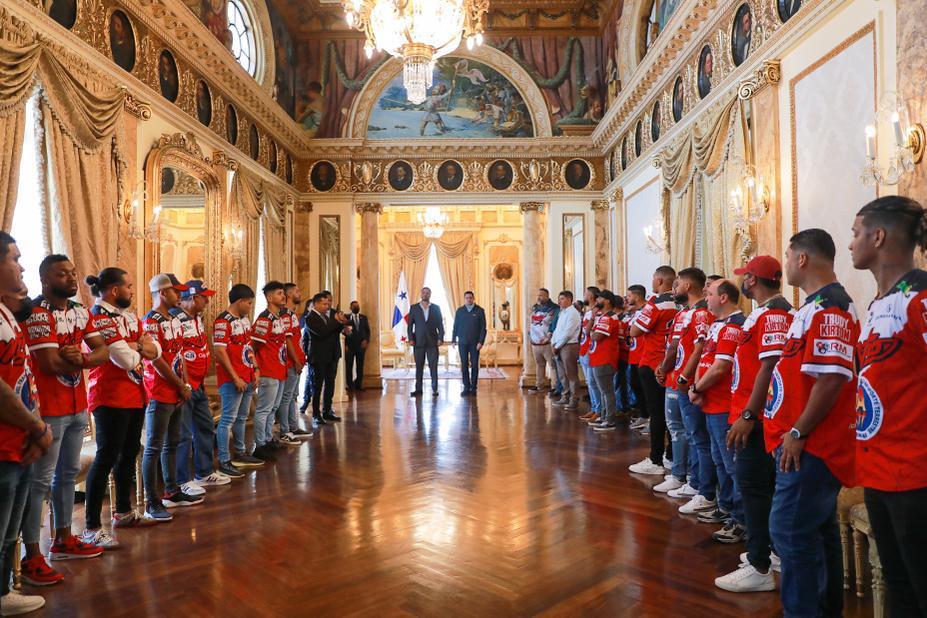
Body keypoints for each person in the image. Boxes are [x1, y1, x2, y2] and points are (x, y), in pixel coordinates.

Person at [766, 229, 858, 617]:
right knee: (814, 533)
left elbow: (832, 378)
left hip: (812, 445)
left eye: (788, 256)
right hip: (801, 442)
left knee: (788, 531)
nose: (785, 264)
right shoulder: (814, 306)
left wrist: (799, 431)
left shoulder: (831, 307)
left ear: (801, 258)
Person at [850, 195, 927, 615]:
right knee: (898, 584)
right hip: (879, 469)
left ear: (878, 236)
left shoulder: (921, 295)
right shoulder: (880, 303)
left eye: (856, 233)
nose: (851, 244)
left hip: (916, 473)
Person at [21, 255, 110, 585]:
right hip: (48, 409)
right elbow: (48, 365)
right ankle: (32, 554)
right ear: (45, 279)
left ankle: (63, 538)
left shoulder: (80, 310)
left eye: (73, 272)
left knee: (68, 475)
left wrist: (82, 358)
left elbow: (104, 350)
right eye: (63, 273)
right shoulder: (36, 313)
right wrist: (69, 356)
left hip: (76, 405)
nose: (72, 278)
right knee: (40, 481)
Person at [715, 255, 793, 593]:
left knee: (754, 489)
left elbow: (771, 365)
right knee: (759, 488)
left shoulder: (774, 314)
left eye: (744, 276)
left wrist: (748, 415)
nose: (742, 281)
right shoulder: (765, 313)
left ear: (751, 281)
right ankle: (769, 551)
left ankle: (760, 563)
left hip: (757, 417)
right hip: (752, 413)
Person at [83, 268, 161, 548]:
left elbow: (156, 350)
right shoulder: (99, 318)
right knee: (106, 457)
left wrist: (136, 345)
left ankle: (124, 512)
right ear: (114, 290)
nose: (132, 290)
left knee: (128, 454)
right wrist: (139, 348)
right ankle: (91, 527)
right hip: (110, 396)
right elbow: (125, 361)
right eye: (128, 286)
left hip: (135, 394)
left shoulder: (128, 317)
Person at [0, 232, 52, 615]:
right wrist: (37, 428)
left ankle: (4, 591)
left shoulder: (7, 315)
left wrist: (36, 427)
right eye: (15, 258)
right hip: (5, 441)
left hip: (19, 439)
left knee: (8, 532)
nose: (21, 266)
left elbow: (25, 378)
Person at [689, 280, 746, 542]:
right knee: (720, 460)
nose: (705, 297)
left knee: (732, 465)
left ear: (723, 298)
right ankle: (726, 509)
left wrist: (698, 387)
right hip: (710, 403)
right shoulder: (717, 324)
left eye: (709, 293)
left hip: (725, 405)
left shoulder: (734, 325)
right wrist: (697, 387)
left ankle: (742, 521)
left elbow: (721, 368)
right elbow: (706, 358)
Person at [140, 274, 200, 523]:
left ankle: (171, 490)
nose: (181, 296)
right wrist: (179, 385)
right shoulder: (150, 321)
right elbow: (158, 361)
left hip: (177, 389)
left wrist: (185, 385)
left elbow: (180, 355)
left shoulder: (175, 319)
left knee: (172, 442)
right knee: (154, 446)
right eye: (177, 292)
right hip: (159, 390)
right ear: (163, 293)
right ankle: (151, 501)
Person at [653, 268, 710, 496]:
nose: (673, 290)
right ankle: (681, 474)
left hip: (687, 381)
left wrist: (684, 377)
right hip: (677, 376)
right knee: (678, 429)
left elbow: (698, 348)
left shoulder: (700, 314)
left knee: (693, 434)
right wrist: (665, 368)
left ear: (687, 286)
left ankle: (694, 481)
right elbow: (674, 346)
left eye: (676, 285)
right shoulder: (684, 313)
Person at [170, 281, 228, 494]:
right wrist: (184, 383)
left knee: (204, 427)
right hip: (184, 386)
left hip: (199, 385)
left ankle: (204, 472)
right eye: (204, 297)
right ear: (193, 297)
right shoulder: (175, 319)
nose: (207, 300)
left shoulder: (197, 319)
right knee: (183, 434)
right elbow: (176, 354)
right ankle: (182, 479)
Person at [629, 266, 679, 475]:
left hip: (652, 362)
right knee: (671, 416)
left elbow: (634, 331)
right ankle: (670, 455)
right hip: (672, 361)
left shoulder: (655, 305)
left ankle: (655, 459)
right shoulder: (680, 303)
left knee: (657, 413)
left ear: (659, 280)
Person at [213, 284, 262, 478]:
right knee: (227, 420)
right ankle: (224, 460)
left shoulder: (244, 320)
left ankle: (240, 453)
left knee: (243, 417)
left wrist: (256, 369)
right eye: (249, 303)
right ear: (240, 301)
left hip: (248, 375)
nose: (251, 306)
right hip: (232, 380)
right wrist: (235, 377)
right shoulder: (222, 322)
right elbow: (219, 351)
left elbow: (248, 347)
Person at [251, 281, 290, 460]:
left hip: (279, 369)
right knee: (264, 409)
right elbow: (254, 345)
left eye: (284, 293)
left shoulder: (278, 318)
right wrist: (258, 367)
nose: (284, 296)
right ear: (269, 297)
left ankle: (268, 438)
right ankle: (260, 444)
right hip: (268, 370)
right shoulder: (264, 319)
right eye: (280, 293)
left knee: (273, 408)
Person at [306, 292, 351, 419]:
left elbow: (335, 331)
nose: (327, 306)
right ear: (316, 304)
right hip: (319, 357)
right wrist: (336, 321)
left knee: (330, 384)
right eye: (324, 304)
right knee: (318, 386)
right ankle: (316, 414)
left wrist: (341, 322)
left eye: (328, 303)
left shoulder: (327, 316)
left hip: (332, 355)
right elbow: (323, 332)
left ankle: (327, 411)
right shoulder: (310, 317)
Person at [275, 283, 310, 444]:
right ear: (289, 294)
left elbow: (296, 339)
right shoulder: (285, 315)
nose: (299, 293)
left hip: (297, 361)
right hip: (289, 362)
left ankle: (293, 426)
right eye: (296, 291)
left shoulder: (292, 314)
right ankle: (285, 430)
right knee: (286, 396)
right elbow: (287, 340)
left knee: (293, 396)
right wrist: (296, 360)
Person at [586, 290, 623, 431]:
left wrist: (592, 332)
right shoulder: (601, 316)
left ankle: (610, 420)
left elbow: (596, 337)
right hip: (598, 358)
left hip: (605, 358)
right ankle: (603, 415)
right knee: (602, 390)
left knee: (607, 391)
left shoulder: (609, 318)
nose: (597, 300)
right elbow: (587, 332)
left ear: (607, 301)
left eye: (600, 298)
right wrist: (592, 318)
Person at [407, 287, 444, 397]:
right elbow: (410, 326)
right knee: (419, 366)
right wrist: (411, 339)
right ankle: (418, 389)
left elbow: (440, 325)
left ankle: (435, 389)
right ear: (421, 294)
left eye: (427, 293)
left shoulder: (436, 308)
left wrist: (440, 338)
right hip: (418, 342)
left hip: (433, 342)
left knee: (433, 366)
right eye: (424, 292)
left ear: (430, 294)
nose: (425, 294)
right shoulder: (414, 308)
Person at [550, 291, 581, 410]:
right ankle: (565, 395)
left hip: (569, 345)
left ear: (569, 299)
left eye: (562, 299)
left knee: (571, 374)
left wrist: (557, 346)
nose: (559, 301)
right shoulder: (562, 313)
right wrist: (553, 342)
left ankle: (574, 399)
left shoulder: (573, 313)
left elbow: (568, 332)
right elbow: (557, 330)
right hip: (558, 345)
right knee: (562, 374)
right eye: (559, 299)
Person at [452, 291, 487, 396]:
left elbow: (483, 328)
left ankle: (473, 387)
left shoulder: (480, 311)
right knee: (464, 365)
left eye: (470, 298)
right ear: (464, 299)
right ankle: (466, 387)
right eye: (467, 298)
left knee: (475, 365)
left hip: (475, 344)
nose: (469, 299)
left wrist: (481, 342)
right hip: (462, 343)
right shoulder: (460, 311)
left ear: (473, 298)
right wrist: (453, 339)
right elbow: (455, 326)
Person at [625, 285, 648, 429]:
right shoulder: (636, 312)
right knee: (636, 386)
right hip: (633, 355)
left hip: (643, 355)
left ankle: (649, 417)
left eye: (629, 296)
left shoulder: (647, 310)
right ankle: (643, 415)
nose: (627, 299)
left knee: (645, 389)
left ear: (637, 296)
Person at [578, 286, 602, 422]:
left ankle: (598, 409)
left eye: (586, 294)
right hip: (584, 349)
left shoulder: (596, 313)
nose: (584, 296)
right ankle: (594, 408)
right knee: (589, 382)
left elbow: (591, 332)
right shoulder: (588, 312)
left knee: (593, 382)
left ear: (592, 296)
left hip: (590, 349)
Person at [528, 288, 558, 392]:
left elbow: (554, 324)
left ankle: (554, 387)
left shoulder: (554, 308)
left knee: (552, 365)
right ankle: (539, 385)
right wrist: (530, 336)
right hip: (535, 342)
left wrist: (549, 337)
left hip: (547, 342)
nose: (539, 297)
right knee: (539, 365)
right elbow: (531, 323)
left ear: (547, 296)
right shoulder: (535, 307)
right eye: (538, 295)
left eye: (541, 295)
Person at [344, 300, 371, 392]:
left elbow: (367, 331)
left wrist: (366, 340)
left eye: (357, 306)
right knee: (349, 366)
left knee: (360, 366)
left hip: (361, 346)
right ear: (350, 308)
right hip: (350, 346)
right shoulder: (346, 318)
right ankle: (350, 385)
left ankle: (359, 385)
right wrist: (345, 345)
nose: (356, 307)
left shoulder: (364, 318)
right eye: (354, 306)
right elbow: (344, 333)